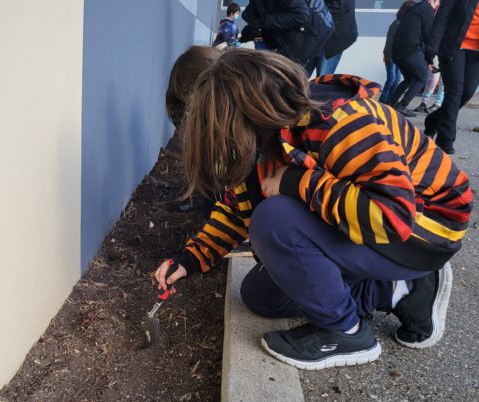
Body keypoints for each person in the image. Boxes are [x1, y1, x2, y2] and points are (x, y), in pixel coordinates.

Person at [156, 49, 472, 370]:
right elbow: (236, 209)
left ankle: (346, 332)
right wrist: (191, 258)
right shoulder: (269, 136)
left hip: (427, 228)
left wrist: (295, 182)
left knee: (274, 221)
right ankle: (397, 290)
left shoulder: (342, 125)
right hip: (381, 227)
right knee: (261, 296)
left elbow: (391, 217)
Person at [424, 0, 479, 154]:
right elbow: (443, 15)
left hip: (476, 52)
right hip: (453, 46)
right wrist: (432, 48)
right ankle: (445, 140)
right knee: (454, 91)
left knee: (467, 92)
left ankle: (433, 121)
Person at [240, 0, 334, 74]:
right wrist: (251, 27)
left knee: (290, 86)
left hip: (309, 37)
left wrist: (261, 23)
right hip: (297, 29)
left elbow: (300, 15)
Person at [390, 0, 436, 117]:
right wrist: (431, 58)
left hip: (397, 51)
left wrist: (427, 59)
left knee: (409, 79)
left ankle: (390, 104)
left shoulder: (415, 9)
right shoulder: (427, 9)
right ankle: (402, 105)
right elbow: (428, 35)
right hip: (411, 49)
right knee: (421, 78)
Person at [317, 0, 358, 75]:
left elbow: (336, 5)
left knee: (322, 79)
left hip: (333, 37)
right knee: (300, 75)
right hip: (318, 33)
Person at [380, 6, 411, 103]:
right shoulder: (397, 24)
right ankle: (384, 98)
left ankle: (391, 98)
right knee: (391, 79)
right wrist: (388, 56)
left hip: (397, 56)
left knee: (396, 79)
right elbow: (389, 43)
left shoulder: (401, 23)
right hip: (391, 55)